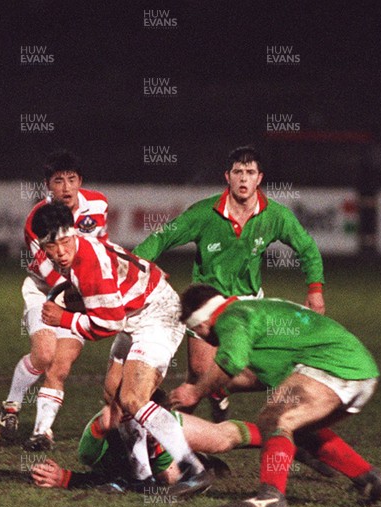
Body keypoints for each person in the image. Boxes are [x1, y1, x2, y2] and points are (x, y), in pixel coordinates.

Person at [133, 146, 325, 421]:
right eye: (238, 172)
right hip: (206, 304)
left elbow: (306, 248)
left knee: (265, 372)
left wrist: (315, 290)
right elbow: (162, 237)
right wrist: (138, 265)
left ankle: (212, 395)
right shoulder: (204, 213)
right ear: (228, 176)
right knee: (200, 373)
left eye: (250, 172)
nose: (243, 179)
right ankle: (169, 435)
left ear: (259, 178)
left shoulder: (275, 215)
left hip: (247, 304)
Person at [36, 201, 213, 496]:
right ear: (44, 246)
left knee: (133, 398)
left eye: (65, 241)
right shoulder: (76, 255)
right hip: (134, 314)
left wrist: (63, 317)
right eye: (52, 246)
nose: (61, 252)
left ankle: (194, 469)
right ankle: (141, 477)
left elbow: (109, 323)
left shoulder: (88, 261)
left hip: (157, 314)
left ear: (74, 234)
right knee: (113, 392)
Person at [170, 284, 381, 507]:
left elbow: (230, 362)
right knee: (299, 429)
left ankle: (271, 496)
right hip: (360, 373)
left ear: (201, 323)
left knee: (273, 420)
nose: (203, 339)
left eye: (198, 332)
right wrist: (218, 388)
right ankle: (370, 479)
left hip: (335, 368)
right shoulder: (250, 310)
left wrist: (194, 392)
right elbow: (258, 376)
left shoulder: (232, 317)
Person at [0, 151, 108, 451]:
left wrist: (93, 288)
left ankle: (41, 433)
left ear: (80, 181)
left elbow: (102, 245)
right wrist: (71, 291)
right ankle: (12, 404)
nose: (66, 187)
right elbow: (46, 268)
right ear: (48, 185)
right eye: (58, 181)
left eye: (71, 179)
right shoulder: (36, 220)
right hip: (43, 290)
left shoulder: (98, 205)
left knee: (60, 366)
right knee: (45, 354)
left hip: (79, 293)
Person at [31, 402, 260, 490]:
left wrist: (69, 479)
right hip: (144, 432)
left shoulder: (157, 433)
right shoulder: (94, 449)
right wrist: (66, 478)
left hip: (165, 420)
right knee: (168, 479)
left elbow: (121, 480)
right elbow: (122, 480)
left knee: (221, 439)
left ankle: (276, 432)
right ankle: (197, 460)